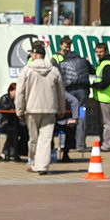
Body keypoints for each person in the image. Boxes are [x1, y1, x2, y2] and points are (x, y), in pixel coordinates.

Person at [15, 43, 65, 175]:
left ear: (36, 55)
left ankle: (33, 163)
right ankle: (42, 166)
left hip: (31, 109)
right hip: (50, 109)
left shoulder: (27, 70)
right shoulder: (54, 70)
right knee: (46, 139)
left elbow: (20, 92)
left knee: (33, 138)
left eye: (32, 53)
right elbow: (61, 92)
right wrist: (61, 109)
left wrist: (19, 110)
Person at [52, 36, 90, 156]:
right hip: (82, 92)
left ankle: (65, 145)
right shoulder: (81, 60)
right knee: (80, 116)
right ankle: (79, 145)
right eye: (65, 45)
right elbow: (91, 70)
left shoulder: (61, 61)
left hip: (68, 92)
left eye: (68, 45)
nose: (67, 47)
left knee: (68, 117)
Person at [90, 42, 110, 151]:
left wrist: (95, 86)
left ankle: (107, 144)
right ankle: (103, 142)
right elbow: (96, 73)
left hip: (105, 98)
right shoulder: (101, 63)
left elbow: (106, 81)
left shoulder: (108, 64)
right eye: (97, 52)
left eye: (100, 52)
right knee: (102, 122)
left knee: (107, 123)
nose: (98, 54)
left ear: (105, 52)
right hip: (100, 97)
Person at [0, 82, 28, 162]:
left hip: (13, 123)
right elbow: (4, 109)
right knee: (13, 133)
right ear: (11, 91)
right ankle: (7, 153)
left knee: (25, 132)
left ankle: (17, 152)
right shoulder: (5, 98)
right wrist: (14, 106)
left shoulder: (18, 100)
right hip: (3, 123)